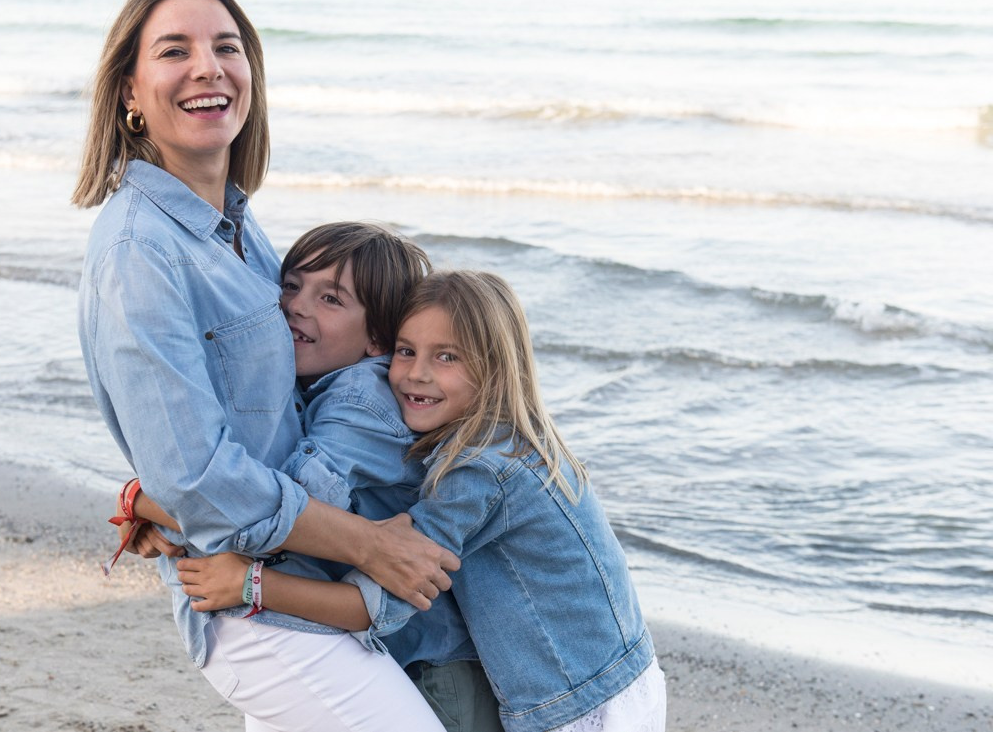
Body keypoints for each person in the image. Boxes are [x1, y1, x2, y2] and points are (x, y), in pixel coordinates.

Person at [72, 0, 457, 731]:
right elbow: (197, 476)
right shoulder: (140, 250)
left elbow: (266, 420)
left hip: (298, 582)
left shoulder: (237, 233)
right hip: (254, 607)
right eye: (174, 50)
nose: (209, 67)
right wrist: (369, 544)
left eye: (227, 46)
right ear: (129, 91)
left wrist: (145, 498)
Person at [178, 271, 667, 732]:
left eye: (447, 357)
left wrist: (250, 584)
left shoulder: (478, 473)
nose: (416, 374)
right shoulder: (521, 440)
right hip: (625, 673)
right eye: (407, 351)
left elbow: (373, 604)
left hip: (573, 704)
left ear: (496, 369)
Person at [119, 222, 504, 731]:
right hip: (383, 643)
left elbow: (279, 509)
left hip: (431, 663)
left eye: (331, 298)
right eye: (292, 285)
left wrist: (146, 503)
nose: (297, 305)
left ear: (377, 340)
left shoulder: (363, 399)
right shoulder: (314, 386)